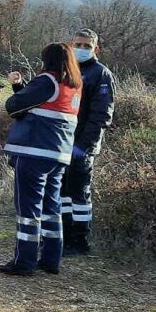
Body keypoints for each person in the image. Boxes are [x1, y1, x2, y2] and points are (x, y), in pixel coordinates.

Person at [0, 42, 82, 276]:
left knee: (28, 208)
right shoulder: (74, 85)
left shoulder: (47, 80)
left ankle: (24, 261)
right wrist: (21, 87)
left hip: (34, 152)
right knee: (51, 208)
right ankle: (50, 259)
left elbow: (14, 107)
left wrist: (18, 89)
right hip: (59, 156)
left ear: (48, 60)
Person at [60, 28, 116, 256]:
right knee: (62, 192)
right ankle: (62, 234)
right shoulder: (66, 70)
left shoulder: (101, 75)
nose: (81, 49)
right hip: (62, 142)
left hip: (82, 146)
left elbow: (102, 116)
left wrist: (83, 146)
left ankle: (79, 240)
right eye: (78, 45)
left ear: (96, 49)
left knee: (79, 194)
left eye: (87, 46)